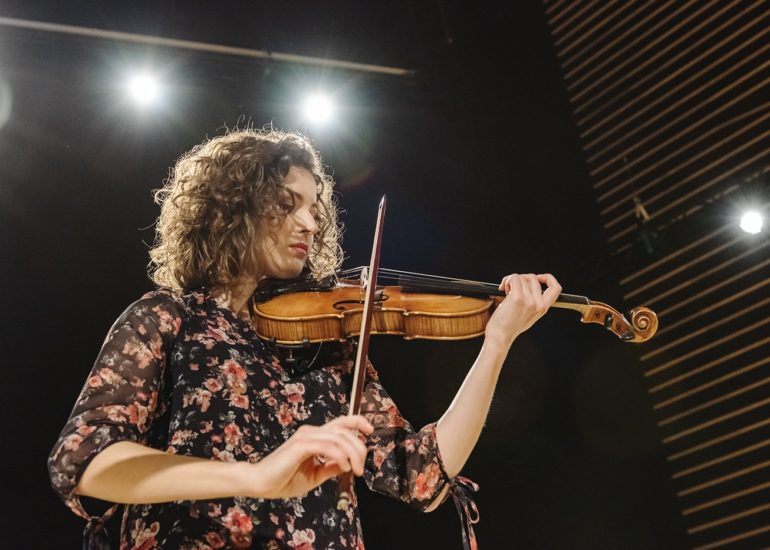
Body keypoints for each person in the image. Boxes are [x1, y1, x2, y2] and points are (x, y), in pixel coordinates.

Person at [48, 128, 561, 549]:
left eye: (314, 208)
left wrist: (497, 344)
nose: (310, 223)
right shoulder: (168, 318)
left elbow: (421, 476)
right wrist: (256, 477)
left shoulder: (327, 344)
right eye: (287, 204)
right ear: (231, 209)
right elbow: (88, 460)